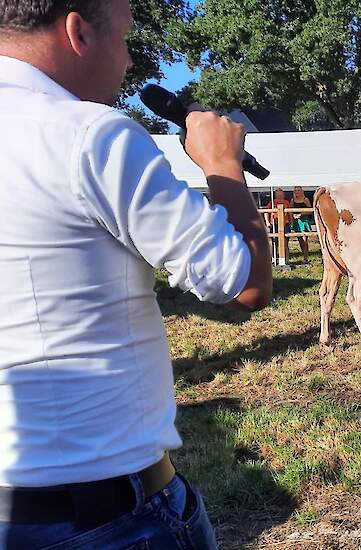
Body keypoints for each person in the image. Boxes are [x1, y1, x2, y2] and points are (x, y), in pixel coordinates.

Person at [0, 1, 272, 548]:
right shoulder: (89, 135)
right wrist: (223, 166)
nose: (127, 61)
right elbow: (243, 282)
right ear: (77, 30)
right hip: (107, 515)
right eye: (124, 37)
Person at [265, 187, 292, 262]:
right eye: (277, 193)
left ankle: (286, 260)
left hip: (285, 224)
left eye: (281, 193)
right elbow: (266, 211)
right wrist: (267, 222)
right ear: (275, 194)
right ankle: (273, 259)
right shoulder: (272, 202)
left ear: (283, 194)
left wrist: (291, 222)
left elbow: (290, 212)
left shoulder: (286, 202)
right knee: (274, 242)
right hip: (274, 224)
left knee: (285, 242)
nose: (279, 195)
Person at [290, 186, 313, 262]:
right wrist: (292, 220)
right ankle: (303, 255)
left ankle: (306, 257)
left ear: (301, 191)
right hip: (296, 221)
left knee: (304, 239)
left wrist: (301, 214)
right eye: (295, 190)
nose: (297, 192)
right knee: (299, 239)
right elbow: (290, 211)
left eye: (298, 190)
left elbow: (310, 210)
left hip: (304, 220)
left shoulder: (305, 199)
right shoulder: (293, 200)